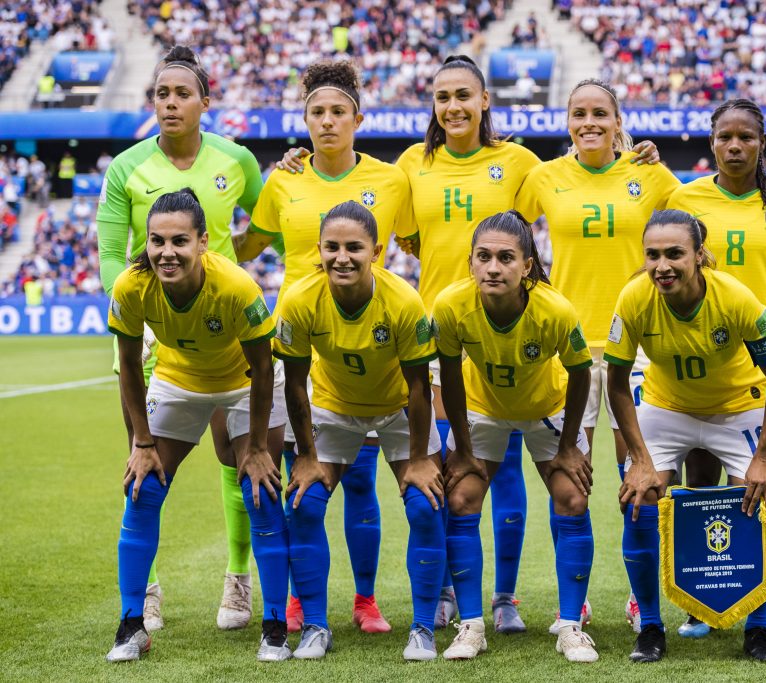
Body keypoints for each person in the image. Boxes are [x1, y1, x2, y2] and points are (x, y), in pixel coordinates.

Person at [279, 56, 660, 632]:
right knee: (455, 470)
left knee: (508, 472)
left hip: (512, 331)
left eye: (465, 96)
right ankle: (452, 598)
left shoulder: (519, 164)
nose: (453, 107)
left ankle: (506, 598)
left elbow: (575, 187)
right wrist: (300, 161)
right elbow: (392, 225)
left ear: (485, 101)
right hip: (436, 336)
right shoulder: (412, 165)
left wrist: (634, 153)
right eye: (443, 97)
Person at [235, 58, 413, 634]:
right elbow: (245, 245)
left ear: (358, 118)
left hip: (369, 346)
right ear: (304, 120)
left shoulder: (390, 180)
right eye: (318, 113)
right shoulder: (282, 178)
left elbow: (428, 237)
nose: (328, 121)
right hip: (298, 347)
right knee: (298, 474)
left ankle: (365, 601)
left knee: (360, 480)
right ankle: (295, 599)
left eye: (339, 112)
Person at [96, 44, 269, 633]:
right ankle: (143, 591)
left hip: (223, 326)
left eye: (182, 94)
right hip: (154, 331)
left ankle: (238, 578)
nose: (170, 104)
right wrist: (129, 318)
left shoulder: (236, 158)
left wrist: (233, 268)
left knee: (236, 454)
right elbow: (109, 249)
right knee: (142, 458)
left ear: (204, 102)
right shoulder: (127, 167)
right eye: (161, 95)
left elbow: (264, 219)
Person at [515, 77, 680, 632]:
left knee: (639, 475)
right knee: (574, 479)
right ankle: (574, 601)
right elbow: (507, 230)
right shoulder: (544, 176)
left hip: (641, 347)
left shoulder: (649, 172)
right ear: (566, 122)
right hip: (571, 350)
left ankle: (642, 601)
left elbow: (689, 231)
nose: (589, 122)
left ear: (617, 121)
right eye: (578, 113)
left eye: (599, 114)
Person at [105, 189, 289, 663]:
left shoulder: (237, 287)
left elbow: (264, 368)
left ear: (203, 242)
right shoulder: (129, 287)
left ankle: (274, 627)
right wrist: (142, 442)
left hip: (244, 383)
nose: (167, 252)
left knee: (261, 489)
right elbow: (128, 366)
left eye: (179, 241)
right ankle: (131, 625)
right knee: (142, 488)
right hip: (178, 379)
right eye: (156, 241)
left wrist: (256, 448)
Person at [607, 209, 766, 663]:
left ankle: (758, 626)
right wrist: (640, 459)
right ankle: (650, 627)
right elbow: (614, 384)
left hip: (736, 407)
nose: (662, 266)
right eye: (653, 255)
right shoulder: (633, 298)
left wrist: (764, 457)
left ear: (699, 254)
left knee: (759, 501)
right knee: (639, 500)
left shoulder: (736, 298)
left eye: (674, 254)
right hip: (667, 407)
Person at [668, 98, 766, 640]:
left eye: (746, 137)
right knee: (701, 480)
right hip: (699, 361)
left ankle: (765, 601)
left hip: (764, 366)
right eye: (725, 137)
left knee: (761, 485)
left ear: (762, 144)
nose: (735, 146)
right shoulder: (684, 199)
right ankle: (700, 601)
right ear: (711, 142)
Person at [273, 201, 446, 661]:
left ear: (377, 251)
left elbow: (418, 386)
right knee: (306, 505)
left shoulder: (405, 301)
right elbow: (293, 383)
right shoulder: (299, 300)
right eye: (332, 247)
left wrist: (422, 458)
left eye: (354, 247)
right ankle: (314, 626)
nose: (342, 257)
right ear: (319, 250)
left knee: (426, 507)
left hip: (397, 410)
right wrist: (307, 457)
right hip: (334, 408)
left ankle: (424, 629)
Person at [433, 210, 596, 662]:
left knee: (573, 498)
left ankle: (569, 625)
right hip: (485, 410)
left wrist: (568, 446)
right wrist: (462, 449)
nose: (493, 267)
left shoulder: (554, 309)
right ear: (470, 262)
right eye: (483, 257)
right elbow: (449, 376)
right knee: (461, 499)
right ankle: (470, 625)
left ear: (527, 265)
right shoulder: (451, 306)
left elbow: (582, 374)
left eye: (506, 257)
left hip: (547, 410)